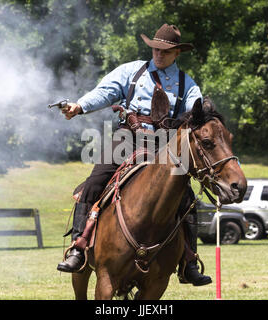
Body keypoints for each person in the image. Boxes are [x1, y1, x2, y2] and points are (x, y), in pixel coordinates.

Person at [57, 24, 212, 286]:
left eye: (164, 51)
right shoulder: (131, 71)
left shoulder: (188, 83)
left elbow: (197, 112)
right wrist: (80, 105)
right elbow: (104, 93)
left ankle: (189, 261)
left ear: (176, 52)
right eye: (155, 49)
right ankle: (78, 247)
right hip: (127, 138)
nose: (158, 54)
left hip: (165, 144)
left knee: (185, 196)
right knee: (95, 182)